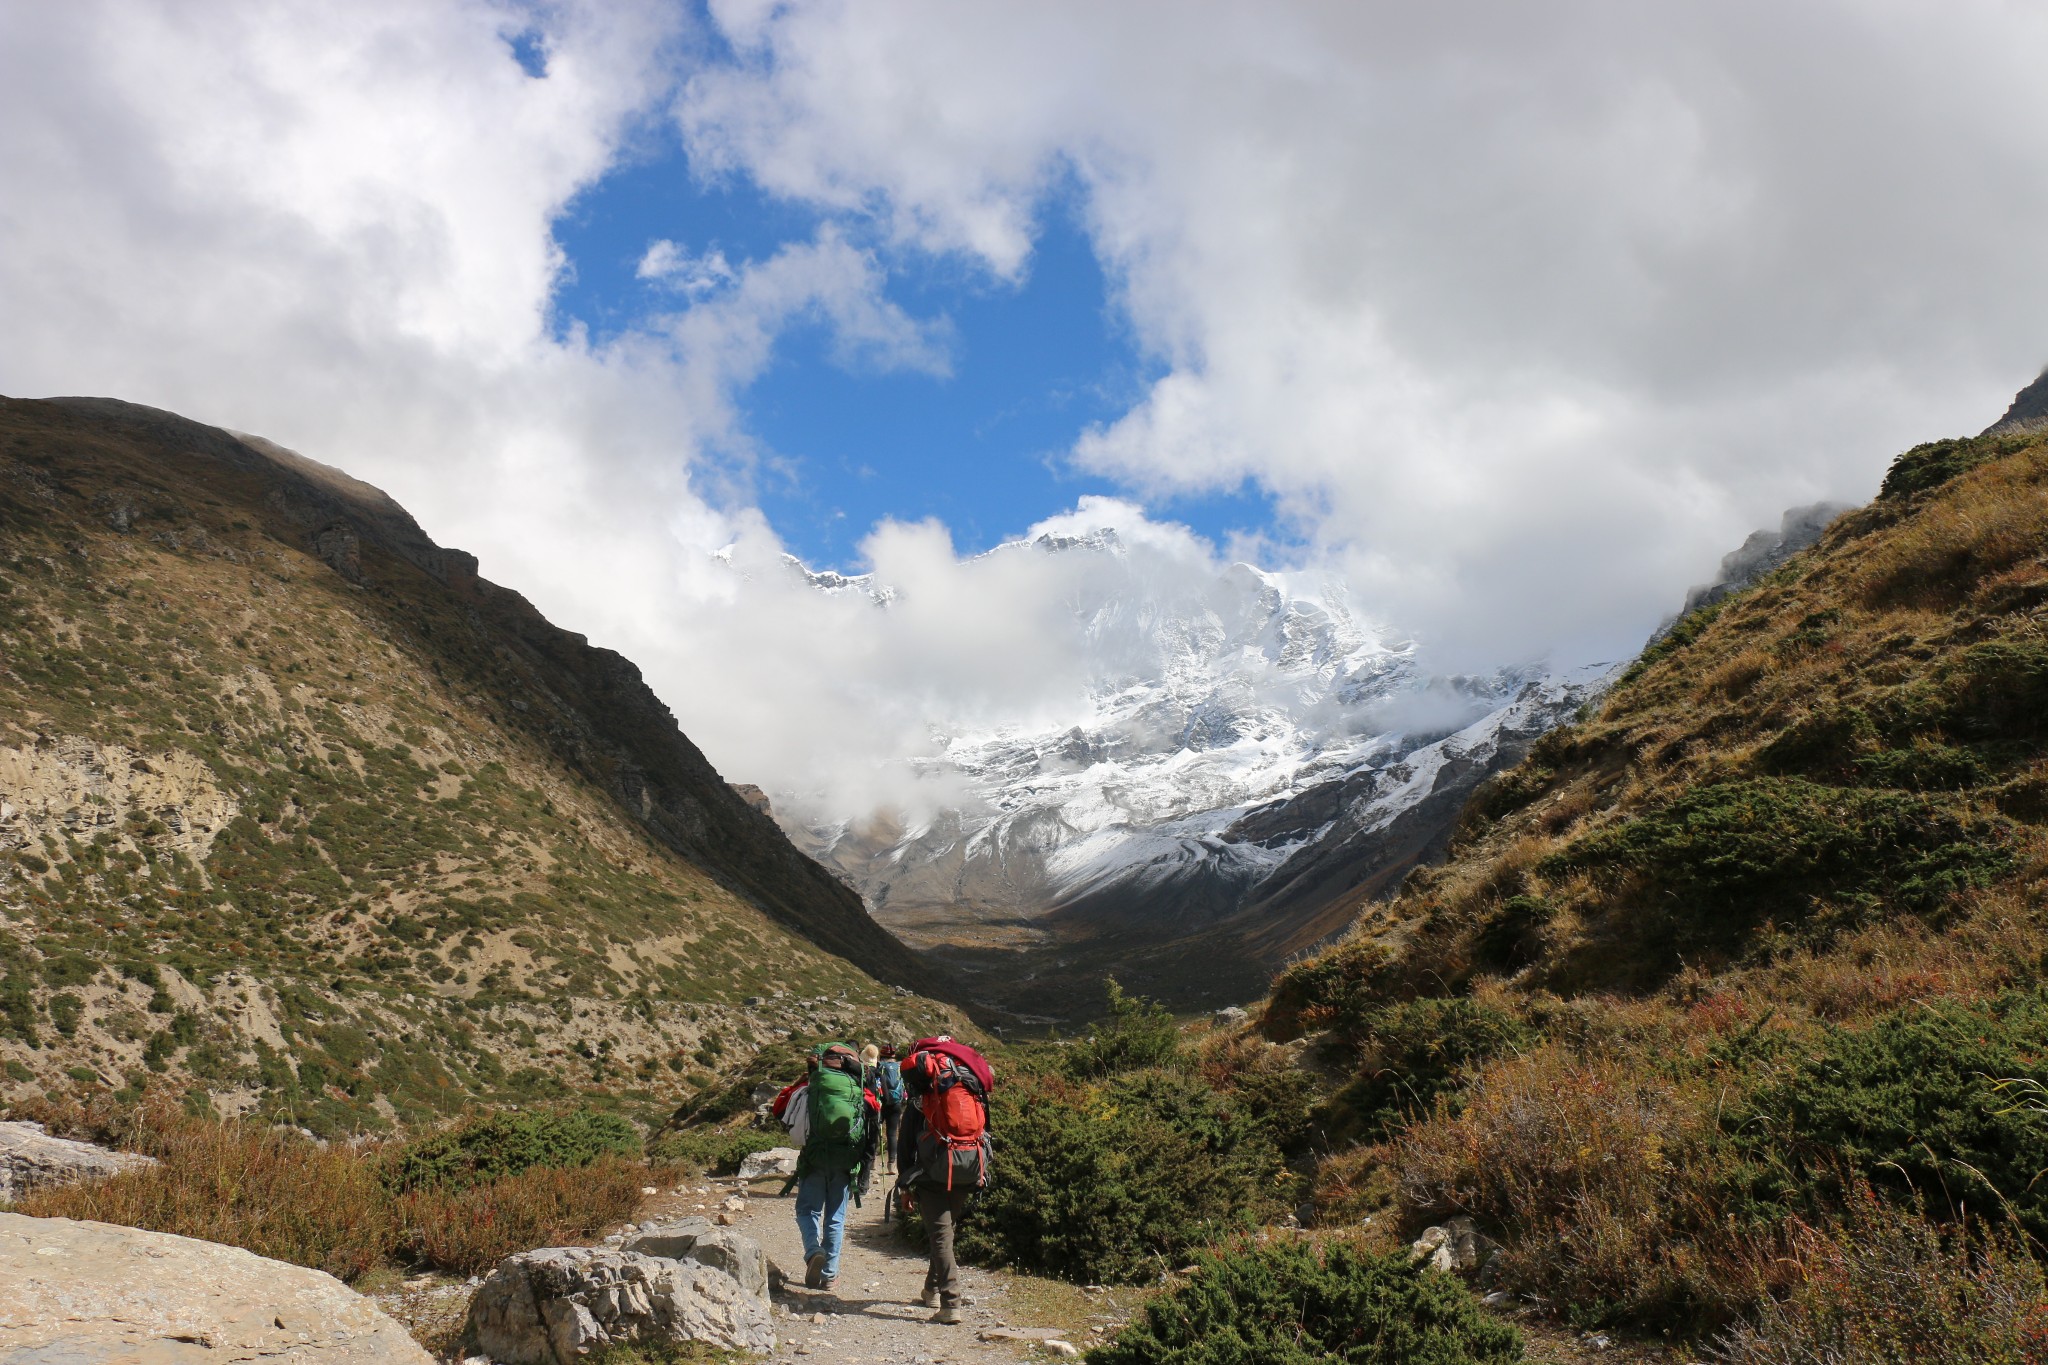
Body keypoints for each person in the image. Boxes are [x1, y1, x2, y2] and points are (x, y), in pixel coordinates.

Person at [895, 1033, 994, 1325]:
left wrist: (904, 1185)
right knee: (945, 1231)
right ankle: (931, 1290)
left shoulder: (920, 1095)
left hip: (933, 1169)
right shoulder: (971, 1084)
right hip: (969, 1165)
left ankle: (951, 1302)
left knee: (940, 1235)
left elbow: (905, 1145)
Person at [793, 1041, 880, 1292]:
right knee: (835, 1218)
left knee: (807, 1211)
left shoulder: (812, 1085)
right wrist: (865, 1168)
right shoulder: (859, 1089)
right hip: (845, 1161)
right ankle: (829, 1276)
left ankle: (813, 1252)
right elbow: (873, 1127)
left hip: (815, 1157)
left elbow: (782, 1111)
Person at [873, 1043, 907, 1174]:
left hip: (881, 1102)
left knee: (876, 1130)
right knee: (892, 1133)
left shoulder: (879, 1066)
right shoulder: (899, 1066)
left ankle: (872, 1162)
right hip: (896, 1103)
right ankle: (891, 1164)